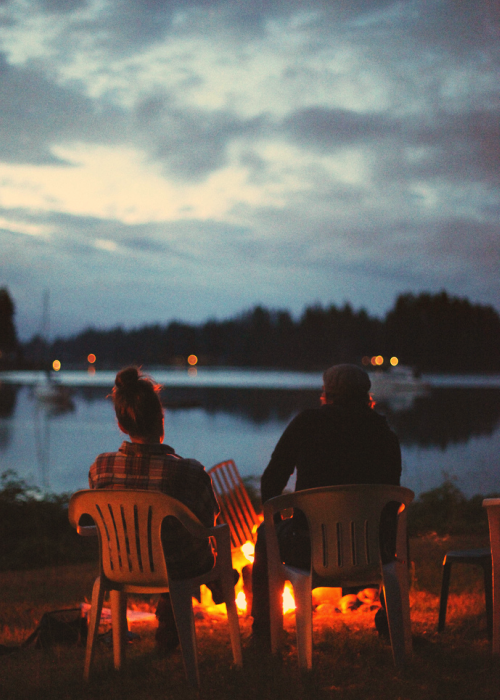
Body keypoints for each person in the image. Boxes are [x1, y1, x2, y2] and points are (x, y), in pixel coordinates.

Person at [251, 363, 402, 642]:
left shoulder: (307, 423)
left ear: (327, 393)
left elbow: (271, 481)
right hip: (373, 548)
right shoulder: (384, 433)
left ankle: (263, 632)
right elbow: (393, 498)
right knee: (394, 529)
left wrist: (275, 524)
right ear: (366, 395)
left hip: (306, 548)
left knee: (265, 536)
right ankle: (388, 621)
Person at [88, 366, 220, 653]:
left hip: (120, 567)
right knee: (195, 549)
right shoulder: (188, 471)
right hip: (178, 567)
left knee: (168, 549)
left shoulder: (101, 468)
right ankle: (220, 586)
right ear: (162, 419)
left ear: (122, 425)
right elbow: (209, 521)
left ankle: (170, 624)